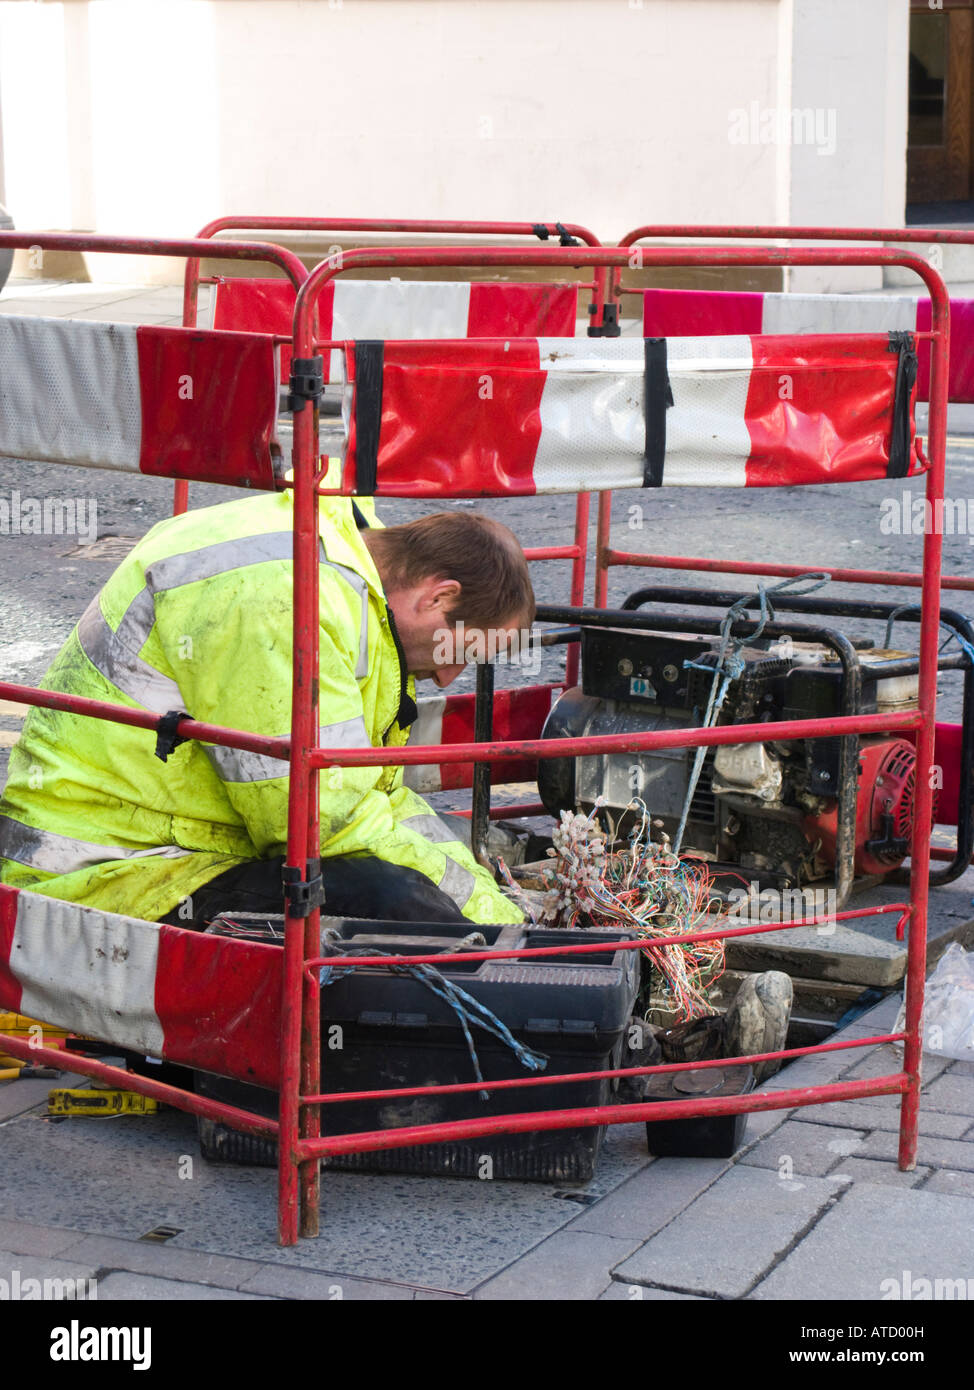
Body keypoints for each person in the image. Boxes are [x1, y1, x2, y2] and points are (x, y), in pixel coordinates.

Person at [0, 489, 533, 928]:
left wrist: (498, 915)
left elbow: (378, 801)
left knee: (418, 883)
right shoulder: (281, 597)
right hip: (100, 872)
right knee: (386, 904)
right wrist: (493, 934)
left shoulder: (349, 554)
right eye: (458, 652)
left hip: (173, 840)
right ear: (438, 597)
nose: (445, 676)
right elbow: (323, 826)